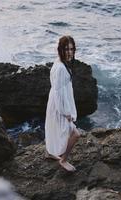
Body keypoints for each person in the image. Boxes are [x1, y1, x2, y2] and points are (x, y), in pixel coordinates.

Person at [45, 35, 81, 172]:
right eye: (66, 49)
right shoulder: (61, 68)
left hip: (55, 103)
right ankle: (64, 160)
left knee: (52, 128)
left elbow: (57, 88)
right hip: (60, 107)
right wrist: (66, 113)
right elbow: (59, 93)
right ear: (60, 49)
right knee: (76, 134)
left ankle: (49, 152)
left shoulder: (59, 62)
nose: (70, 52)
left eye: (72, 49)